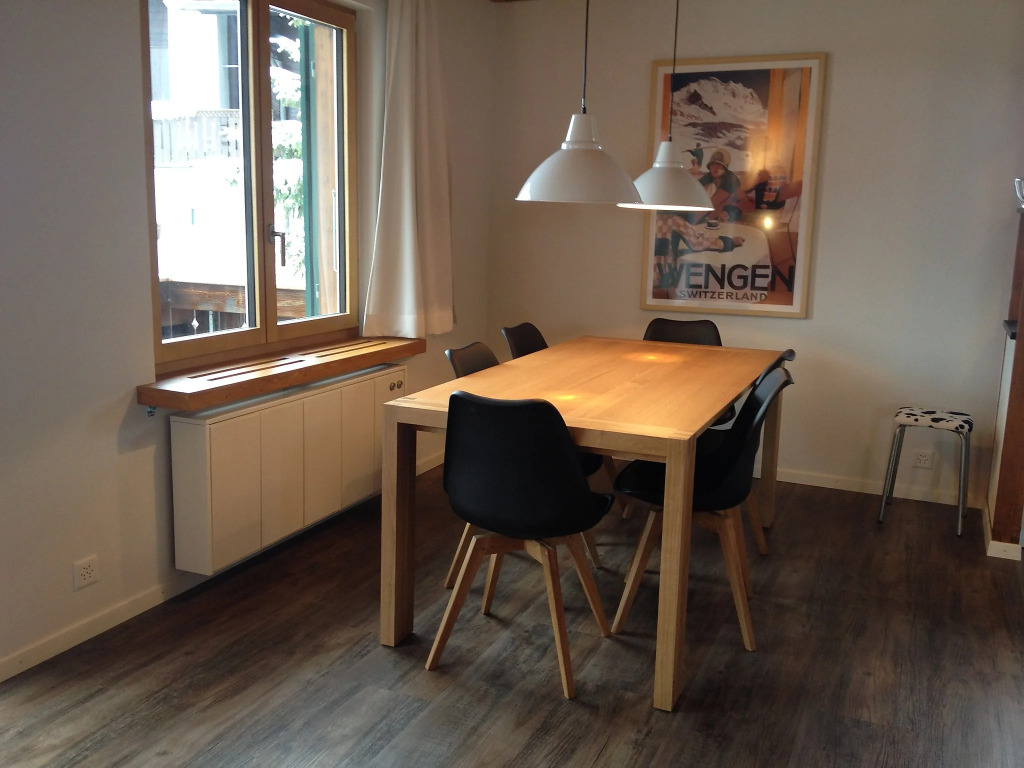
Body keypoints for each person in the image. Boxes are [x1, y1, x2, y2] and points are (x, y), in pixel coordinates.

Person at [652, 213, 746, 291]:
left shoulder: (650, 218)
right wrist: (729, 242)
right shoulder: (674, 220)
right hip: (664, 279)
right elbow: (696, 243)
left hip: (647, 279)